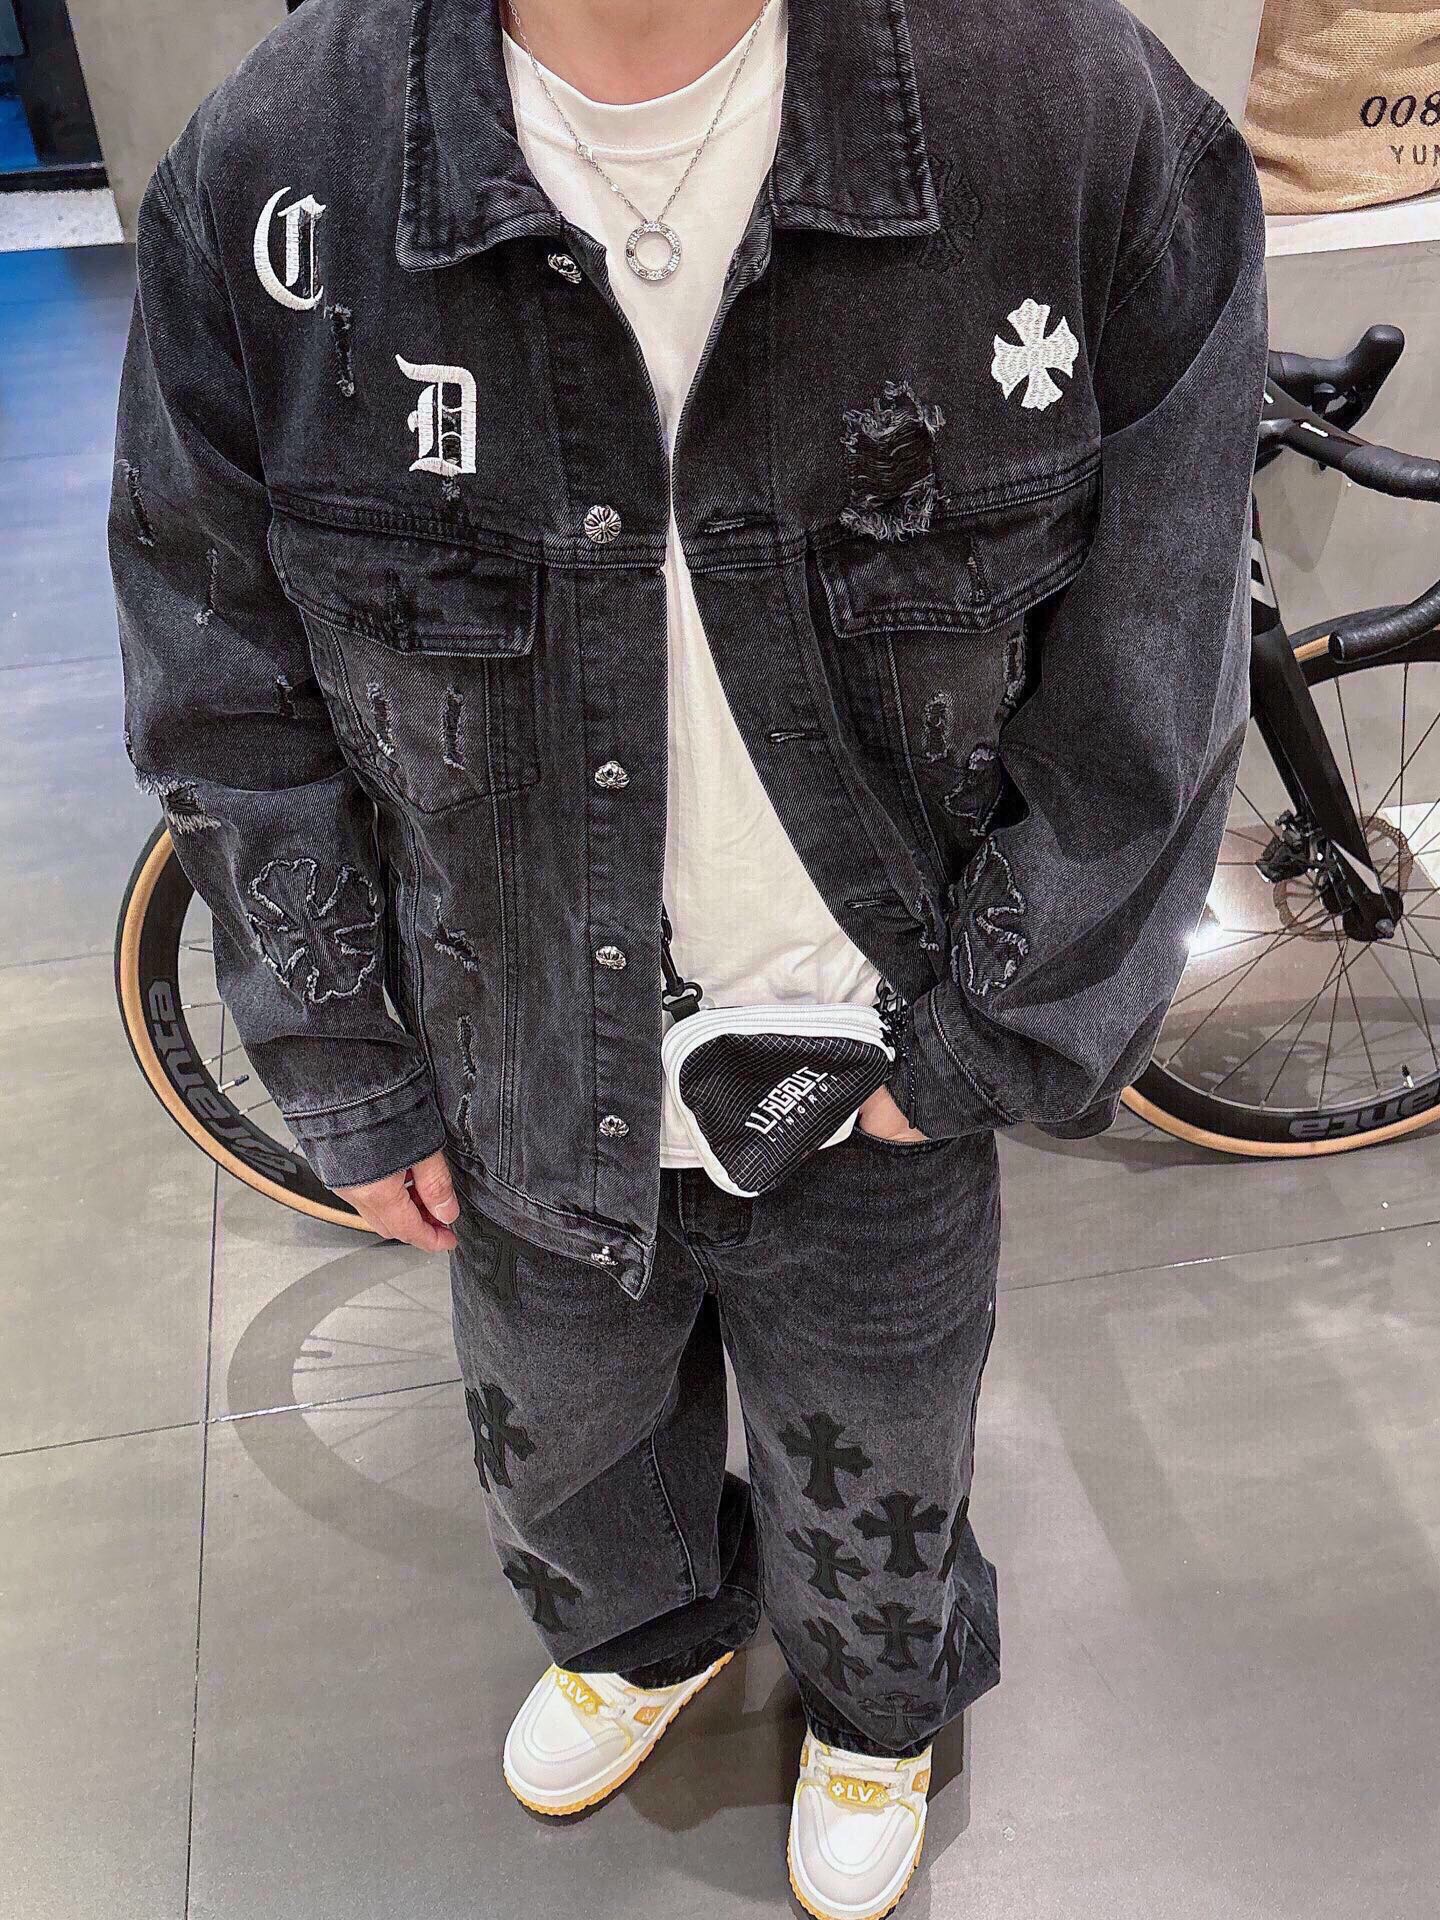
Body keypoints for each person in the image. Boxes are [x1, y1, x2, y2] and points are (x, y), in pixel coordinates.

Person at [109, 0, 1268, 1911]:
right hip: (504, 1059)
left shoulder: (1070, 120)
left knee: (883, 1440)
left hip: (876, 1052)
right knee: (563, 1442)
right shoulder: (277, 168)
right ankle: (644, 1637)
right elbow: (220, 677)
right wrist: (344, 1061)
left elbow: (1155, 667)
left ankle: (878, 1703)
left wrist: (985, 1040)